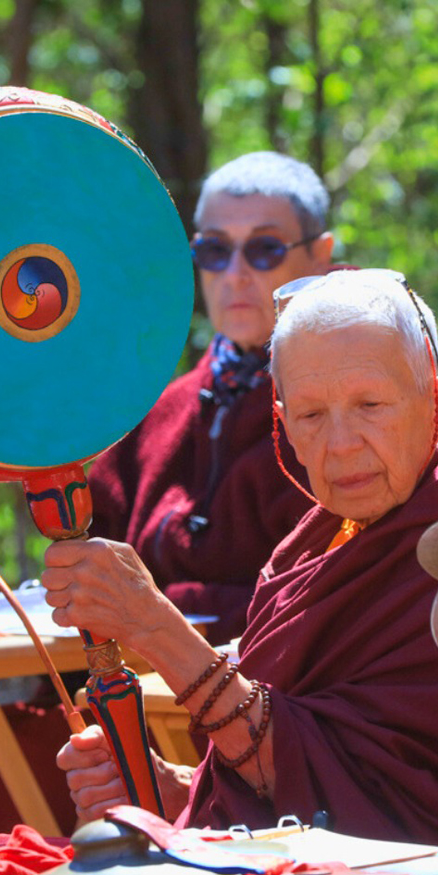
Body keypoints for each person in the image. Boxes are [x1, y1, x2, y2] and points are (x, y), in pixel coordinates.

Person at [44, 270, 438, 855]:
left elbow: (368, 805)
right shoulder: (309, 548)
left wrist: (155, 628)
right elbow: (287, 780)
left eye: (370, 405)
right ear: (284, 428)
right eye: (310, 416)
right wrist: (166, 789)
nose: (341, 444)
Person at [88, 150, 336, 646]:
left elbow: (337, 593)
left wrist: (163, 608)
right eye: (215, 251)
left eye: (264, 249)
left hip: (286, 690)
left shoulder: (357, 395)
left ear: (320, 254)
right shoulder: (164, 409)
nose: (235, 274)